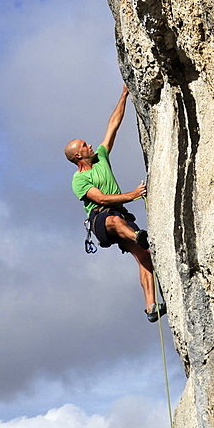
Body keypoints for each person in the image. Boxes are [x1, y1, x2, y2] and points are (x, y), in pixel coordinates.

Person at [64, 84, 166, 322]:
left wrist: (124, 96)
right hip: (102, 220)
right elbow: (100, 199)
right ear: (78, 156)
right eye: (84, 146)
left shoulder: (100, 157)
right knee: (114, 220)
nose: (90, 145)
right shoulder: (79, 180)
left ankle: (151, 308)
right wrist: (133, 194)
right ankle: (137, 236)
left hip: (120, 214)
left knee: (144, 256)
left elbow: (113, 126)